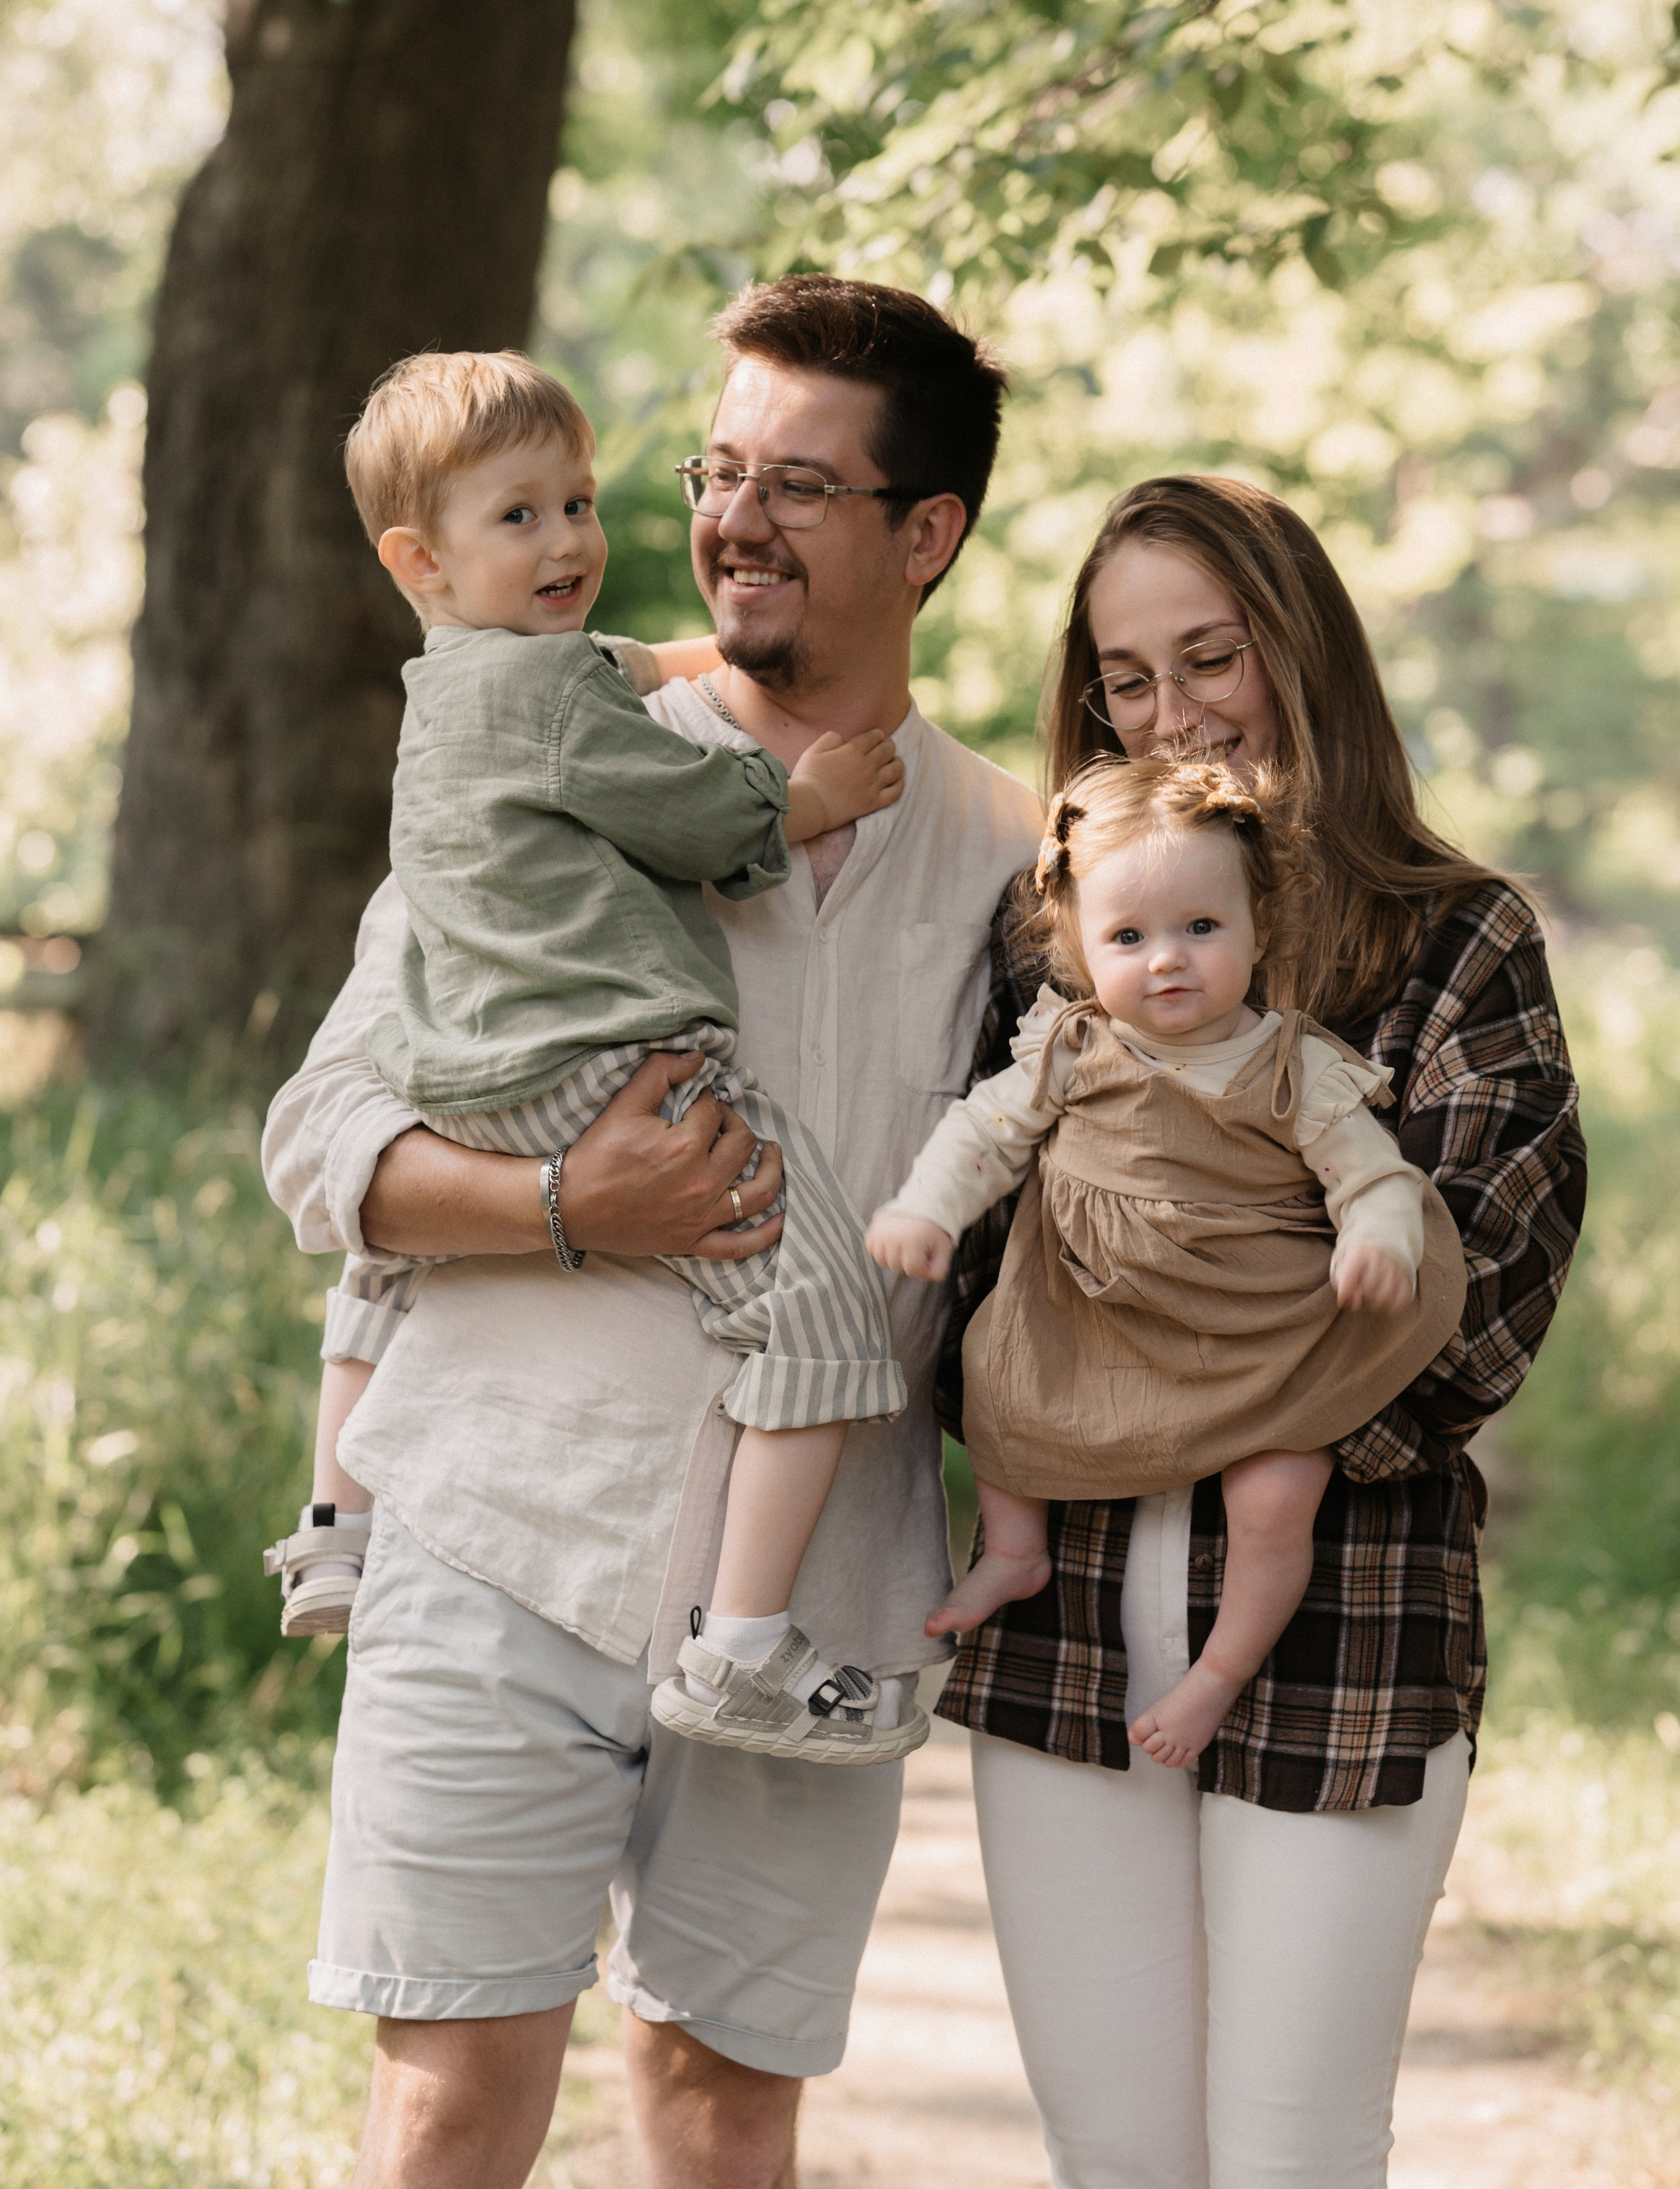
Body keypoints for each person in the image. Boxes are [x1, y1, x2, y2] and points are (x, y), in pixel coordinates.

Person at [260, 276, 1043, 2189]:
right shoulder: (545, 739)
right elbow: (324, 1131)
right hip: (493, 1518)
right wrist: (553, 1200)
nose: (731, 518)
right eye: (716, 468)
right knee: (448, 2105)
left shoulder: (1020, 860)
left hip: (810, 1591)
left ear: (925, 534)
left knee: (719, 2109)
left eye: (800, 483)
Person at [933, 474, 1586, 2189]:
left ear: (1300, 651)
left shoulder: (1459, 941)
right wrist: (1248, 1330)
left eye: (1208, 656)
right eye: (1122, 680)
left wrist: (1118, 1361)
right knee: (1118, 2157)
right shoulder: (1057, 934)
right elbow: (970, 1278)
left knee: (1291, 2160)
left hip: (1345, 1625)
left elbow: (1465, 1315)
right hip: (1064, 1629)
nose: (1169, 711)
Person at [263, 346, 925, 1766]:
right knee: (820, 1310)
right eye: (521, 517)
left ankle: (333, 1524)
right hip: (608, 1056)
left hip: (470, 1063)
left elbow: (603, 673)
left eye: (575, 502)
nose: (568, 538)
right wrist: (796, 797)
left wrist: (687, 659)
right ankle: (744, 1646)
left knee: (390, 1254)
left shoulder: (459, 682)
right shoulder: (560, 708)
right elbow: (684, 813)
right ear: (417, 558)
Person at [868, 754, 1467, 1768]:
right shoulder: (1067, 1045)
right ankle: (1014, 1551)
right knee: (995, 1383)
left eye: (1200, 928)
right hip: (1094, 1311)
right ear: (1076, 947)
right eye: (1128, 937)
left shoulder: (1291, 1061)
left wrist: (1375, 1238)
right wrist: (927, 1209)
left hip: (1257, 1328)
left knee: (1277, 1497)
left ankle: (1215, 1678)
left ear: (1257, 929)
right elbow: (982, 1135)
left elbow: (1368, 1171)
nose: (1167, 961)